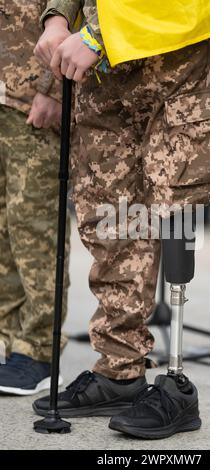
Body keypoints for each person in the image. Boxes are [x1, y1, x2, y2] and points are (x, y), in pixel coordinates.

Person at [33, 0, 210, 439]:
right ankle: (119, 372)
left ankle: (177, 383)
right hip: (104, 80)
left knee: (175, 220)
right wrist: (55, 17)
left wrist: (95, 35)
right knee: (112, 225)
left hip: (178, 69)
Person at [0, 0, 70, 396]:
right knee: (3, 227)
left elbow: (69, 9)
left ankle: (39, 349)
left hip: (31, 94)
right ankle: (9, 337)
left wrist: (54, 86)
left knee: (34, 225)